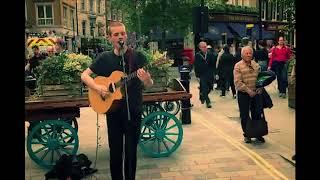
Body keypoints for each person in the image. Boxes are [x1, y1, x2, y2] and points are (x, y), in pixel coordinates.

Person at [81, 22, 153, 180]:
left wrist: (147, 79)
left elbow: (148, 85)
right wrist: (98, 88)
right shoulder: (104, 58)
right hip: (113, 113)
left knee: (131, 153)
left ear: (126, 35)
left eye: (123, 33)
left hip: (133, 111)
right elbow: (84, 75)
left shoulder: (137, 57)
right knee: (115, 152)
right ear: (109, 38)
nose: (120, 36)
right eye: (116, 34)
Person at [234, 46, 265, 143]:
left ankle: (258, 134)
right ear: (242, 54)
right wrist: (248, 91)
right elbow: (237, 82)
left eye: (250, 53)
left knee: (257, 114)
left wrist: (260, 88)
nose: (248, 55)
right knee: (245, 115)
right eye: (246, 53)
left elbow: (260, 79)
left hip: (256, 94)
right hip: (244, 94)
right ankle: (247, 134)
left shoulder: (256, 65)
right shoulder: (238, 66)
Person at [194, 41, 216, 108]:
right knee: (204, 87)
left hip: (210, 74)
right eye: (203, 47)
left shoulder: (210, 54)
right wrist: (197, 75)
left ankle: (202, 95)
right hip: (202, 74)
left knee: (209, 88)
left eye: (205, 47)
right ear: (200, 48)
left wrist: (215, 73)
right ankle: (208, 102)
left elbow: (213, 64)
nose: (205, 48)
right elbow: (196, 65)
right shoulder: (197, 55)